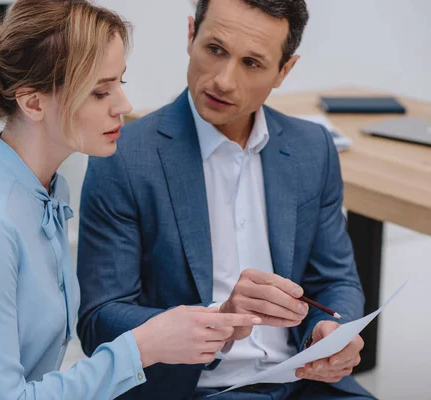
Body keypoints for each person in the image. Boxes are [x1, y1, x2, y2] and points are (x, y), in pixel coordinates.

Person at [0, 1, 261, 399]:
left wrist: (208, 324)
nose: (124, 106)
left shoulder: (44, 194)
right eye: (100, 92)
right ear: (32, 102)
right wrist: (141, 347)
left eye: (120, 83)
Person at [76, 0, 376, 399]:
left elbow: (335, 280)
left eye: (252, 63)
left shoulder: (312, 148)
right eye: (215, 50)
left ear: (284, 71)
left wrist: (333, 332)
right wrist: (221, 319)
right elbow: (99, 322)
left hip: (304, 383)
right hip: (190, 389)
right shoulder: (125, 157)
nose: (223, 80)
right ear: (190, 35)